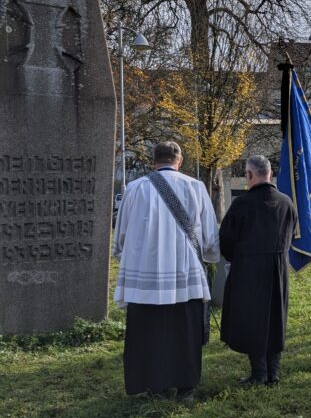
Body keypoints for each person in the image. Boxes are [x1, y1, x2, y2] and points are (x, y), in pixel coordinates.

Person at [112, 141, 219, 402]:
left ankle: (153, 386)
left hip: (144, 277)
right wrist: (210, 256)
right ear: (179, 161)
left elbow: (121, 235)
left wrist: (125, 254)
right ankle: (186, 388)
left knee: (148, 332)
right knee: (185, 332)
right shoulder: (196, 187)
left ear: (153, 161)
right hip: (185, 274)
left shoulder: (134, 189)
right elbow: (209, 236)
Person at [219, 156, 297, 385]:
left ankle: (260, 373)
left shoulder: (242, 204)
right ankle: (273, 372)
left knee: (254, 319)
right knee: (275, 317)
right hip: (279, 269)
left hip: (249, 270)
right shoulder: (286, 202)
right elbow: (291, 235)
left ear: (250, 175)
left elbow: (226, 240)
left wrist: (238, 258)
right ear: (270, 173)